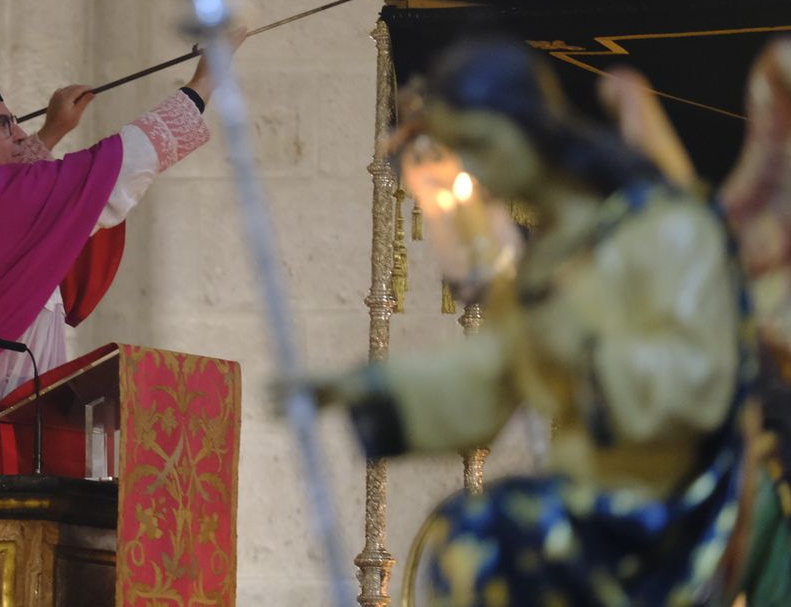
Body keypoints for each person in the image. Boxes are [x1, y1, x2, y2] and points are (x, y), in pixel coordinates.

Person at [307, 40, 782, 605]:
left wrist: (587, 350)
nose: (476, 172)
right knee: (470, 537)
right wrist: (369, 392)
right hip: (591, 496)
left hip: (683, 504)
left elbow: (700, 380)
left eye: (480, 146)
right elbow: (484, 383)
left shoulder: (657, 223)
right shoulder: (542, 269)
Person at [0, 30, 244, 474]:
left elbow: (18, 199)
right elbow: (117, 167)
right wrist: (204, 82)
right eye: (3, 124)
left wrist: (54, 130)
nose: (19, 132)